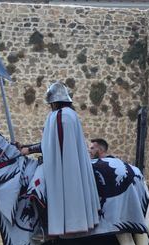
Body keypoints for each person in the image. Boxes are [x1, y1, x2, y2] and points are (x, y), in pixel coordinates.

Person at [20, 81, 100, 237]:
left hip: (59, 167)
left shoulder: (56, 116)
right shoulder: (72, 115)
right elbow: (52, 144)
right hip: (71, 166)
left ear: (54, 102)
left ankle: (42, 228)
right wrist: (26, 146)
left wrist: (28, 149)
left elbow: (48, 146)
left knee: (35, 188)